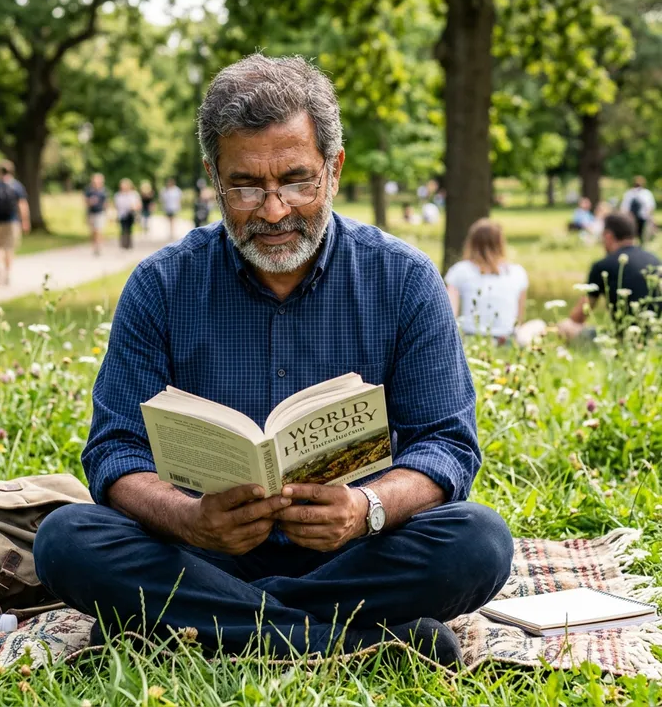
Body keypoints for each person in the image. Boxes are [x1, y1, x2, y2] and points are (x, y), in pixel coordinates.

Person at [34, 54, 513, 667]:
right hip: (202, 550)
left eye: (295, 179)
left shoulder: (404, 279)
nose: (274, 210)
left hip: (358, 550)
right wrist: (189, 518)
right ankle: (356, 642)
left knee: (479, 541)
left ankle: (201, 628)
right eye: (245, 185)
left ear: (333, 169)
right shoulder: (161, 284)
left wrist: (367, 510)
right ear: (213, 176)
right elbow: (114, 451)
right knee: (67, 541)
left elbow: (446, 445)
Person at [558, 212, 661, 341]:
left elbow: (579, 316)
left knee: (566, 327)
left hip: (620, 338)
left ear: (608, 236)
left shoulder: (603, 265)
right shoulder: (655, 261)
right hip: (655, 335)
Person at [444, 219, 541, 345]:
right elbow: (518, 319)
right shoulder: (518, 272)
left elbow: (450, 314)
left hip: (471, 339)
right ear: (501, 243)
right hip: (506, 339)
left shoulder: (460, 270)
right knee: (539, 324)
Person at [0, 160, 29, 286]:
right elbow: (22, 205)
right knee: (9, 248)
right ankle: (7, 274)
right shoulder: (16, 186)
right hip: (12, 221)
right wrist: (25, 221)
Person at [620, 176, 656, 245]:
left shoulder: (646, 193)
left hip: (642, 216)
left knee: (641, 232)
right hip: (632, 216)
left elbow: (650, 206)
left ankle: (641, 243)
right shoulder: (630, 193)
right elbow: (625, 206)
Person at [84, 173, 109, 256]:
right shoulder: (89, 190)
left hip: (100, 213)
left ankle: (98, 247)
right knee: (93, 231)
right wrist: (90, 202)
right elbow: (85, 201)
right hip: (91, 213)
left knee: (98, 230)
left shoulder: (104, 191)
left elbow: (106, 203)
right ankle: (94, 246)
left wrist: (107, 212)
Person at [114, 179, 141, 250]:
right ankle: (123, 244)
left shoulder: (134, 194)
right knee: (123, 228)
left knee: (129, 229)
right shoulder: (118, 195)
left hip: (131, 214)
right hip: (122, 214)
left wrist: (134, 207)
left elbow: (138, 204)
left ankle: (129, 243)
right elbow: (116, 206)